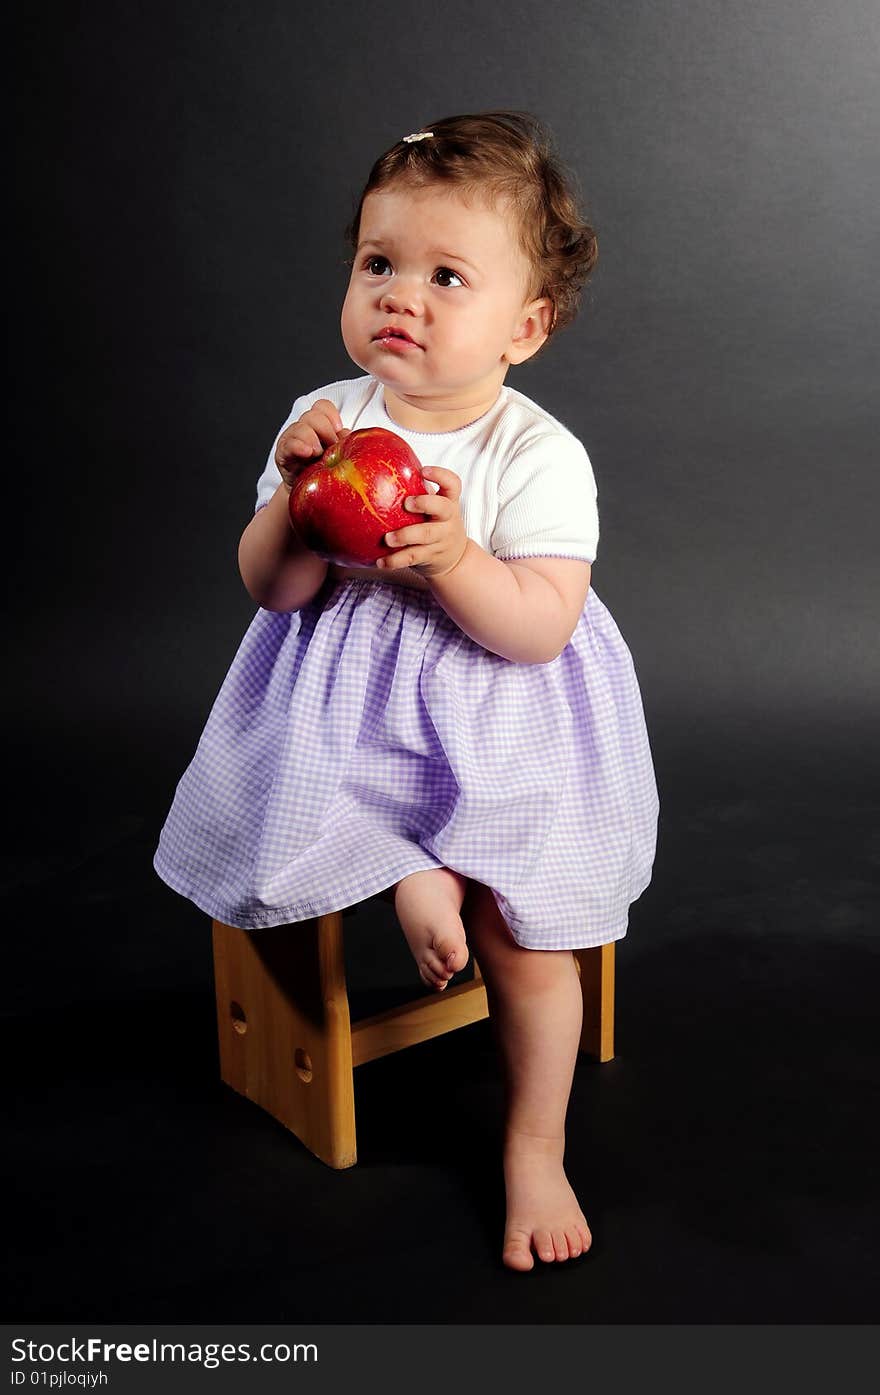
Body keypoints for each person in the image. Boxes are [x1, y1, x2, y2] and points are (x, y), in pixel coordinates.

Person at [154, 110, 660, 1272]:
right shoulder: (323, 426)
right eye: (378, 263)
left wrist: (456, 562)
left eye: (445, 275)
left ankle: (533, 1142)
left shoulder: (534, 454)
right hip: (344, 718)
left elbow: (539, 630)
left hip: (503, 722)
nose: (401, 296)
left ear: (523, 328)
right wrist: (291, 500)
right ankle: (413, 865)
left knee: (525, 938)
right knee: (331, 811)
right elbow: (273, 592)